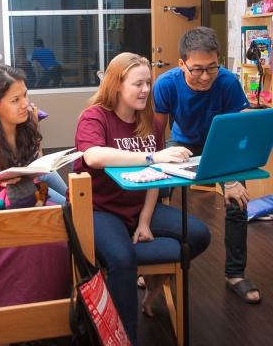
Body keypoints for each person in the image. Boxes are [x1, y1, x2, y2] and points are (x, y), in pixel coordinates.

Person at [74, 52, 210, 345]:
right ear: (116, 85)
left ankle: (153, 288)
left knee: (198, 235)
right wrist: (151, 156)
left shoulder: (151, 121)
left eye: (148, 82)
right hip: (101, 210)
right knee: (122, 260)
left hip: (139, 208)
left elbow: (158, 174)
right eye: (138, 84)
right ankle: (123, 338)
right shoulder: (95, 116)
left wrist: (146, 221)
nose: (146, 90)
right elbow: (94, 156)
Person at [152, 26, 260, 305]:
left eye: (212, 68)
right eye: (197, 69)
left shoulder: (226, 82)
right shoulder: (165, 84)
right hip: (181, 143)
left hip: (221, 145)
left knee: (238, 203)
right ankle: (152, 267)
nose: (205, 76)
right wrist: (156, 163)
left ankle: (235, 273)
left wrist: (233, 178)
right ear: (182, 64)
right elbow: (156, 134)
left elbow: (239, 131)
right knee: (156, 199)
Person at [0, 63, 67, 205]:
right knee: (67, 208)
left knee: (49, 176)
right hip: (4, 205)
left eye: (25, 95)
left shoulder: (22, 124)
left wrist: (34, 127)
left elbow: (36, 162)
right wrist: (0, 185)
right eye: (15, 100)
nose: (25, 104)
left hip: (23, 185)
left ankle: (76, 208)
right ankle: (72, 213)